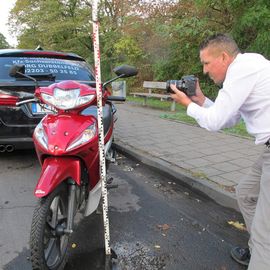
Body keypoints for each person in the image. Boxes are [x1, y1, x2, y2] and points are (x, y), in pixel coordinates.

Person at [170, 33, 270, 270]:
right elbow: (229, 119)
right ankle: (258, 248)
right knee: (246, 192)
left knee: (266, 233)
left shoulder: (242, 70)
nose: (204, 70)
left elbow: (214, 122)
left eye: (206, 63)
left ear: (224, 57)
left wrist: (188, 105)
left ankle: (262, 254)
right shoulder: (248, 68)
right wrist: (202, 101)